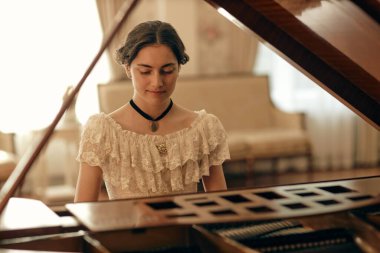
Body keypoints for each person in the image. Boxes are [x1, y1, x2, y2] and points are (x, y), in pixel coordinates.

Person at [74, 20, 230, 202]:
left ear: (179, 68)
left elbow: (222, 204)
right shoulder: (101, 131)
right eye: (145, 71)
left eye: (167, 70)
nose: (157, 82)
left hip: (185, 231)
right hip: (126, 230)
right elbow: (83, 208)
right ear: (128, 69)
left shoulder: (202, 129)